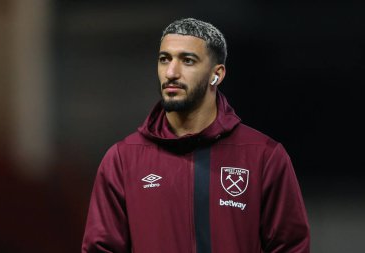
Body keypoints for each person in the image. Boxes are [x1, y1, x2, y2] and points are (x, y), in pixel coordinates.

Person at [82, 18, 310, 253]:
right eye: (164, 59)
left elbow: (291, 247)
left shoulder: (264, 156)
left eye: (187, 60)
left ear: (217, 75)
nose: (171, 72)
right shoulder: (123, 159)